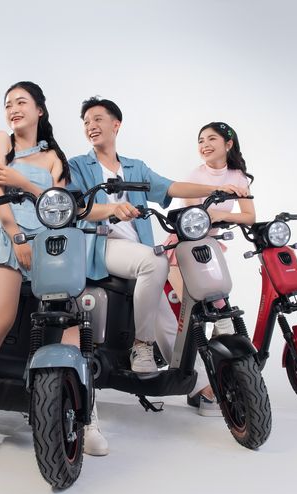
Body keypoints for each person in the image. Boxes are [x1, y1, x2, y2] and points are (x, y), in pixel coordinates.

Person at [0, 82, 111, 464]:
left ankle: (85, 413)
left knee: (72, 322)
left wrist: (22, 183)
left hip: (49, 242)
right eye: (8, 104)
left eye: (21, 102)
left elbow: (60, 205)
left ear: (39, 110)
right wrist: (17, 234)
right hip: (9, 237)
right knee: (0, 317)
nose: (13, 109)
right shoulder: (2, 141)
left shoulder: (54, 157)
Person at [68, 97, 249, 380]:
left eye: (98, 119)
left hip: (137, 250)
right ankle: (142, 345)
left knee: (165, 318)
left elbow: (171, 187)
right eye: (86, 122)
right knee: (155, 262)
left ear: (116, 125)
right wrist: (112, 209)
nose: (91, 125)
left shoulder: (135, 167)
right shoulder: (78, 165)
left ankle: (200, 385)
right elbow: (76, 207)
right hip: (100, 245)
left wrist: (215, 190)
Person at [163, 121, 256, 416]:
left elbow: (250, 216)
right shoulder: (196, 176)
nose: (204, 145)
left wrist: (214, 215)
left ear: (228, 144)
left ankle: (223, 377)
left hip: (210, 249)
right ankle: (200, 385)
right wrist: (217, 214)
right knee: (192, 313)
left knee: (222, 315)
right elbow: (192, 215)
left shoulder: (238, 177)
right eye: (201, 140)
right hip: (183, 248)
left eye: (211, 139)